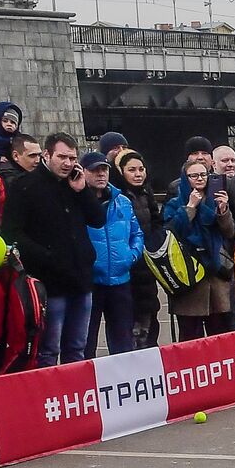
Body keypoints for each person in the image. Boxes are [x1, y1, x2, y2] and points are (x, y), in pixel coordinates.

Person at [1, 132, 106, 366]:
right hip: (49, 282)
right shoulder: (24, 186)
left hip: (81, 279)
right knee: (48, 349)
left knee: (77, 348)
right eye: (62, 157)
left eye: (72, 158)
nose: (68, 163)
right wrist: (47, 257)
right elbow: (11, 232)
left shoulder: (75, 184)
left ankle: (76, 397)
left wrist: (83, 191)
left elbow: (98, 219)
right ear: (46, 155)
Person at [163, 156, 235, 341]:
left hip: (216, 275)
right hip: (189, 276)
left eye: (203, 174)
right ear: (185, 178)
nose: (200, 179)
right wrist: (190, 207)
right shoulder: (175, 203)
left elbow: (229, 232)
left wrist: (223, 210)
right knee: (190, 338)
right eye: (193, 175)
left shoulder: (214, 199)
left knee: (221, 336)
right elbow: (172, 232)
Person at [82, 152, 144, 358]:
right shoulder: (76, 200)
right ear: (83, 172)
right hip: (90, 282)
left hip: (121, 280)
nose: (101, 174)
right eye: (94, 170)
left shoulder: (123, 201)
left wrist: (130, 256)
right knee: (86, 342)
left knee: (122, 342)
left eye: (104, 169)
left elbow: (137, 233)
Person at [113, 148, 163, 349]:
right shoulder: (117, 196)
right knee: (130, 320)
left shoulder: (146, 193)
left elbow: (157, 221)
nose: (138, 174)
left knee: (150, 315)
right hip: (128, 265)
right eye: (131, 169)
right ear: (121, 172)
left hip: (148, 263)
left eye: (141, 169)